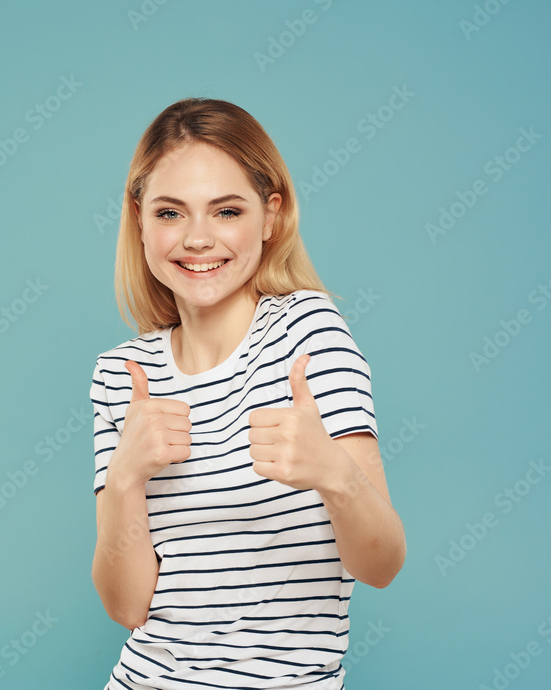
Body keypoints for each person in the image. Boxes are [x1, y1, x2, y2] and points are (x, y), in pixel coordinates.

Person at [89, 97, 406, 690]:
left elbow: (382, 564)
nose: (198, 239)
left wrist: (334, 473)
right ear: (139, 219)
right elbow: (127, 607)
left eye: (226, 211)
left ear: (271, 216)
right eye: (170, 213)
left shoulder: (307, 334)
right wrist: (125, 480)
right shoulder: (120, 373)